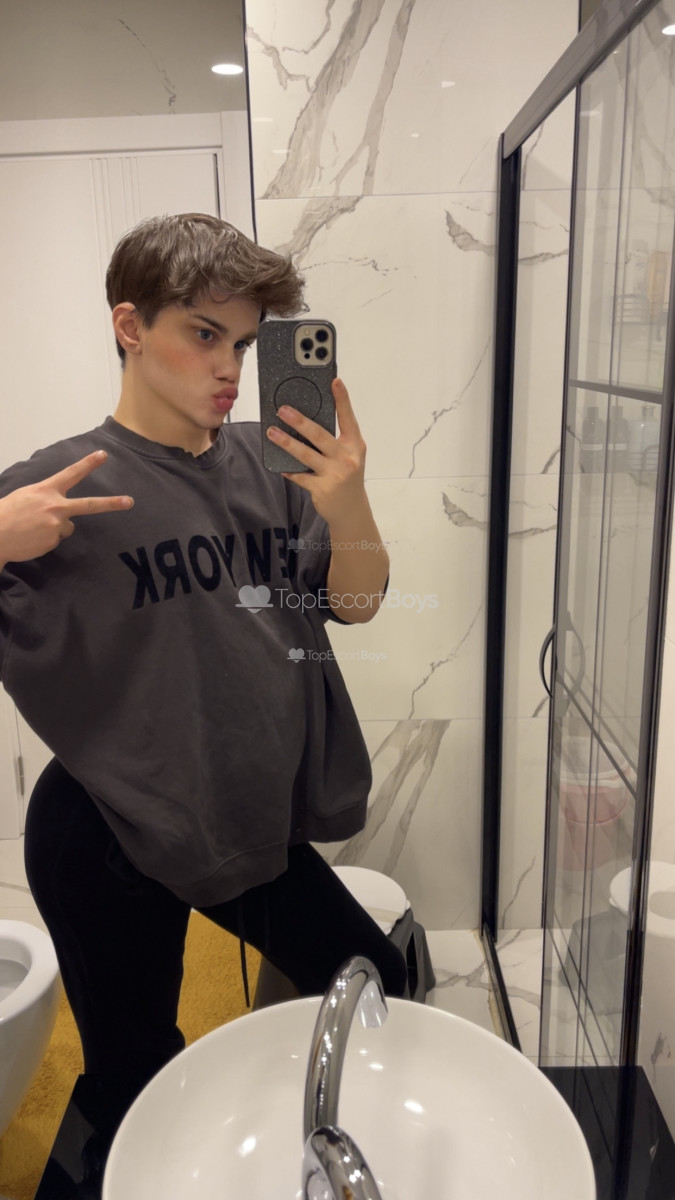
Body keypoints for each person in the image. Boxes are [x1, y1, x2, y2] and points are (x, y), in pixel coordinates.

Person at [0, 212, 407, 1090]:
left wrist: (348, 501)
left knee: (376, 982)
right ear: (130, 326)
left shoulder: (273, 464)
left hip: (242, 815)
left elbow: (358, 602)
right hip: (104, 828)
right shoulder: (52, 489)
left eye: (244, 343)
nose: (230, 367)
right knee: (135, 1070)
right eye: (204, 334)